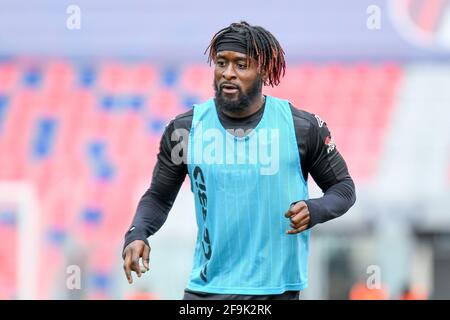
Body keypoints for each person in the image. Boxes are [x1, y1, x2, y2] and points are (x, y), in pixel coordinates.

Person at [122, 21, 356, 300]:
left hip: (276, 291)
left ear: (264, 70)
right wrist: (137, 233)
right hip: (207, 290)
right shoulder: (185, 130)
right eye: (221, 63)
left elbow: (343, 188)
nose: (228, 74)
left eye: (241, 65)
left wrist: (315, 210)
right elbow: (159, 197)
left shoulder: (301, 128)